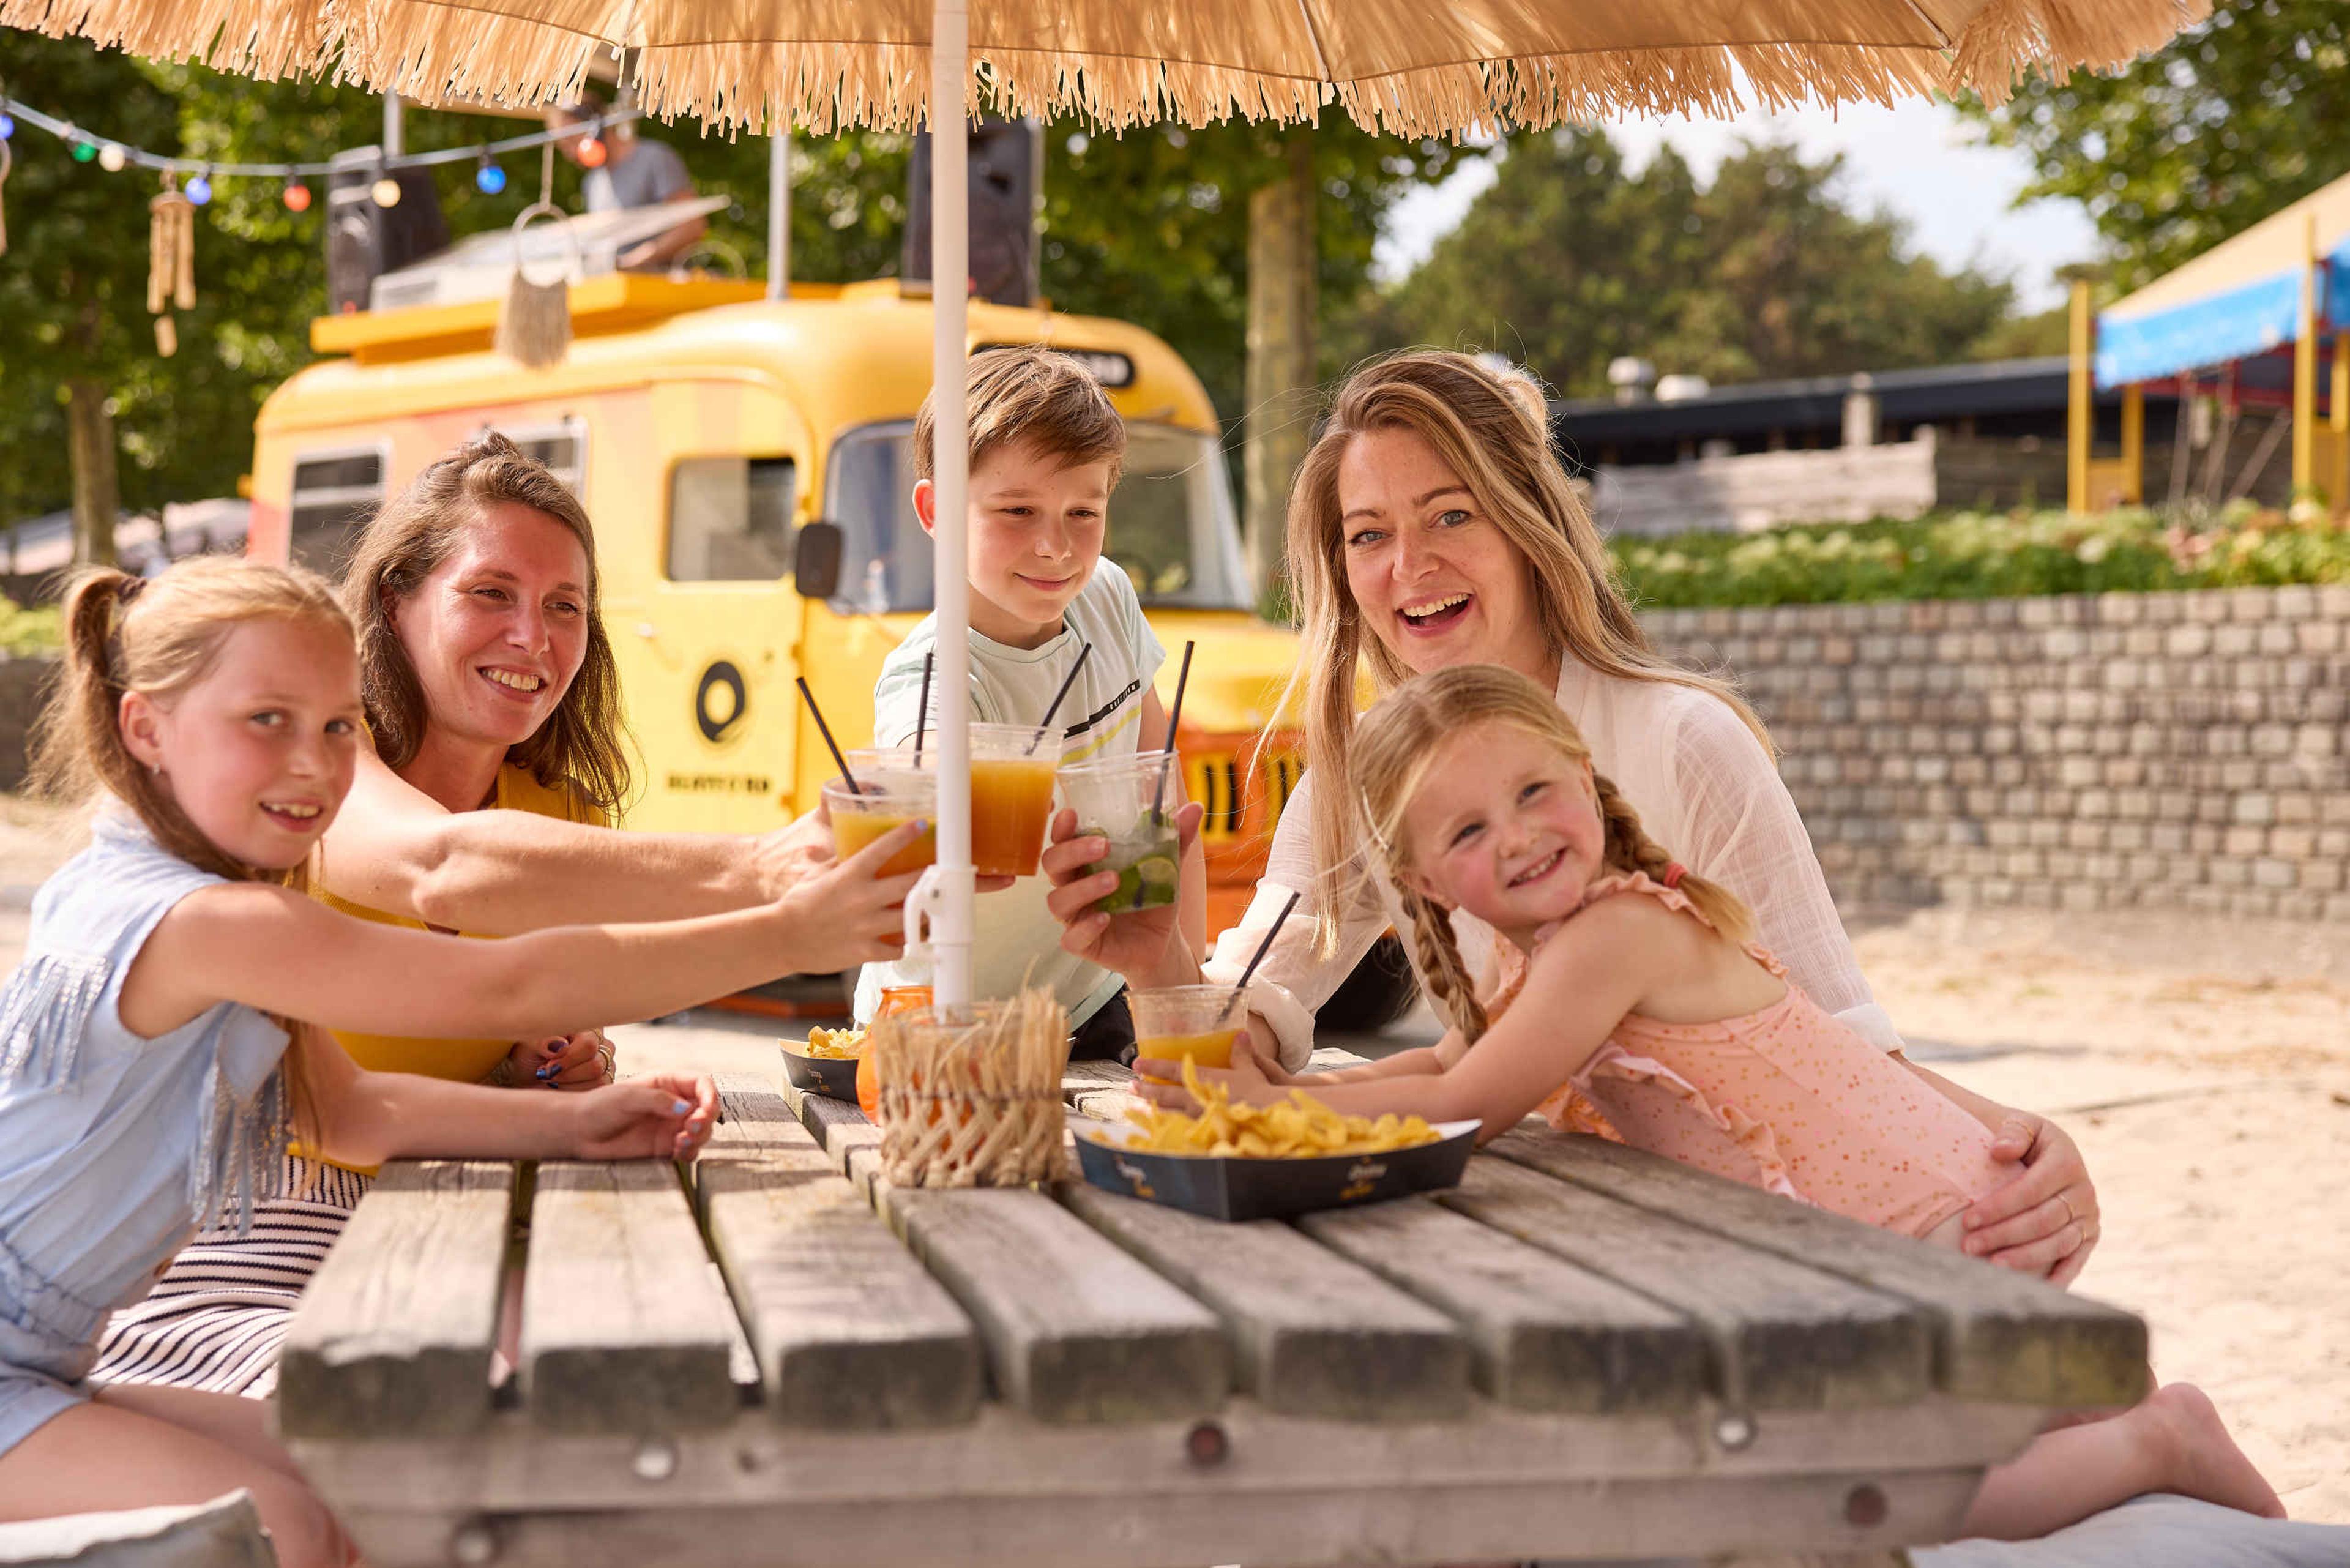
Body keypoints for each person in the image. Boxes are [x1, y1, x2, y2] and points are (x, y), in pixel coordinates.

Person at [1138, 662, 2282, 1543]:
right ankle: (2207, 1482)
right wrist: (1285, 1088)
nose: (1522, 833)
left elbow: (1471, 1107)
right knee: (2030, 1421)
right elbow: (1440, 1068)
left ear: (1585, 782)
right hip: (1890, 1229)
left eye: (1536, 790)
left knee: (1856, 1496)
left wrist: (1266, 1119)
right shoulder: (1541, 958)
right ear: (1430, 882)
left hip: (1929, 1231)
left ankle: (2166, 1443)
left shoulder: (1616, 933)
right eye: (1471, 830)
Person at [1043, 349, 2101, 1283]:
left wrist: (2020, 1137)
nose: (1410, 566)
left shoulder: (1686, 740)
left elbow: (1833, 1044)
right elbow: (1267, 992)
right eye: (1370, 535)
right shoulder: (1367, 776)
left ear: (1528, 520)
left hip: (1783, 1246)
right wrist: (1156, 969)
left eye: (1452, 514)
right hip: (1593, 1242)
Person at [0, 558, 920, 1564]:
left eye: (340, 725)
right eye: (266, 720)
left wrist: (571, 1122)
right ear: (146, 729)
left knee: (376, 1486)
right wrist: (787, 933)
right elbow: (508, 988)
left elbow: (345, 1112)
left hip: (48, 1360)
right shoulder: (210, 919)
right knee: (285, 1525)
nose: (313, 762)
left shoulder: (184, 884)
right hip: (24, 1364)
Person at [92, 434, 835, 1395]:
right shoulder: (321, 763)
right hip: (235, 1228)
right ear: (396, 602)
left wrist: (559, 1064)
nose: (534, 636)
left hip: (439, 1200)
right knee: (492, 1419)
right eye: (491, 593)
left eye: (565, 607)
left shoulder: (562, 808)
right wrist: (773, 871)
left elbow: (537, 1012)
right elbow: (440, 867)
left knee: (634, 1381)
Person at [857, 346, 1205, 1059]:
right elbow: (907, 816)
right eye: (1017, 510)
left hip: (1095, 995)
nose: (1055, 547)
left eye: (1084, 510)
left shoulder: (1106, 596)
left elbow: (1160, 798)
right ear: (935, 510)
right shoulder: (931, 680)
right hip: (949, 1023)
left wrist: (1183, 984)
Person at [546, 91, 706, 271]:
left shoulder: (655, 159)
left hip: (664, 288)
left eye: (572, 141)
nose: (570, 153)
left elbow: (692, 226)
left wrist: (633, 261)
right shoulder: (592, 183)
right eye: (564, 147)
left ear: (597, 129)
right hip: (616, 289)